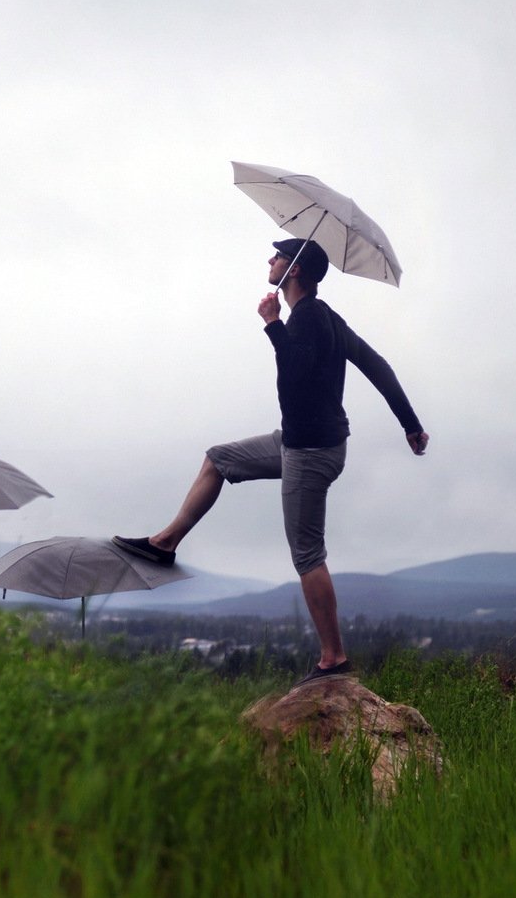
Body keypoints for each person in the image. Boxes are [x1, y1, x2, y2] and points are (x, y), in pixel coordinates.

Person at [113, 238, 428, 686]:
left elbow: (295, 373)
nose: (270, 260)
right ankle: (163, 545)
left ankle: (333, 659)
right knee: (218, 460)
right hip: (303, 441)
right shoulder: (325, 318)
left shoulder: (310, 319)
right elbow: (378, 366)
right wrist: (410, 424)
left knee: (306, 554)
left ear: (295, 270)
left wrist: (271, 323)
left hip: (311, 452)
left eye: (278, 255)